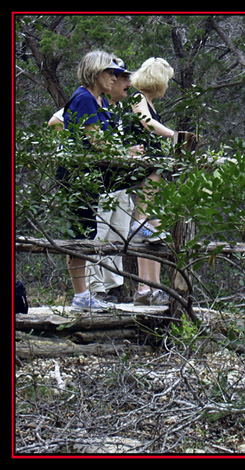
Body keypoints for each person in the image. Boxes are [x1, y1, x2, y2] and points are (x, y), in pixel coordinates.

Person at [49, 56, 139, 304]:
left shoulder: (100, 102)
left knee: (88, 234)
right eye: (110, 72)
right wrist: (124, 154)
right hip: (79, 178)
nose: (114, 77)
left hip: (93, 178)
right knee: (81, 234)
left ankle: (84, 294)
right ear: (95, 72)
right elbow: (96, 140)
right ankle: (81, 295)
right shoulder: (84, 98)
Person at [126, 57, 178, 306]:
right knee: (144, 219)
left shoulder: (148, 101)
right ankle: (144, 287)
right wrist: (173, 134)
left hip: (154, 167)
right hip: (144, 168)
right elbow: (146, 123)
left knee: (154, 228)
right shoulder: (137, 99)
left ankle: (150, 288)